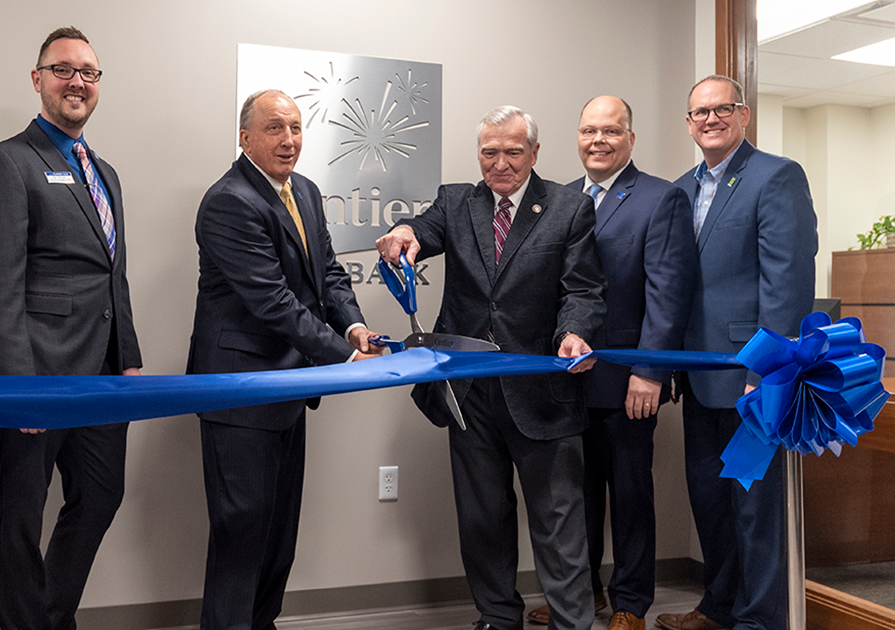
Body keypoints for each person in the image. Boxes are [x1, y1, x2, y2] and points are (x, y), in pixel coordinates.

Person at [376, 106, 606, 630]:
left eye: (513, 152)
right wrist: (402, 233)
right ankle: (498, 617)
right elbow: (420, 231)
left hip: (542, 392)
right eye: (489, 152)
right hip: (470, 392)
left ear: (535, 153)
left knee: (558, 522)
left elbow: (583, 290)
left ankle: (572, 622)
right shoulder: (455, 201)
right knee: (482, 518)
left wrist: (574, 333)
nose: (500, 163)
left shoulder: (569, 208)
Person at [187, 89, 382, 630]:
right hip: (240, 393)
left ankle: (262, 622)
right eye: (275, 128)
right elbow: (272, 300)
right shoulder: (229, 200)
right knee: (241, 529)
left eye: (296, 128)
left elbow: (329, 276)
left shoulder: (308, 192)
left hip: (289, 388)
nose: (289, 140)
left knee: (277, 531)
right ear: (245, 137)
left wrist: (355, 326)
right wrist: (344, 356)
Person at [0, 26, 141, 630]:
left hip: (101, 376)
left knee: (101, 495)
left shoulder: (106, 173)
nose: (78, 82)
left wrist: (130, 356)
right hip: (35, 373)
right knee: (20, 514)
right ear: (37, 78)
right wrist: (20, 384)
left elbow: (112, 273)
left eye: (89, 73)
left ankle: (46, 617)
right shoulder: (7, 161)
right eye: (64, 70)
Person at [526, 96, 697, 630]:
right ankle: (581, 595)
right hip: (566, 380)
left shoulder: (659, 198)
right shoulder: (559, 199)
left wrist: (650, 370)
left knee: (628, 495)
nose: (598, 140)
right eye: (588, 131)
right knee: (572, 499)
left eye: (611, 131)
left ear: (630, 138)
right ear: (576, 137)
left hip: (627, 381)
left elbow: (668, 294)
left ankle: (629, 603)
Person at [655, 76, 817, 630]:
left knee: (754, 507)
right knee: (710, 500)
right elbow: (673, 285)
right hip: (698, 376)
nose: (710, 119)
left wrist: (764, 372)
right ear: (688, 122)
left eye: (722, 109)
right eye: (699, 112)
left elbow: (786, 286)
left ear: (743, 115)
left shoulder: (776, 176)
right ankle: (718, 608)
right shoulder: (680, 188)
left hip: (752, 379)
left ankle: (760, 620)